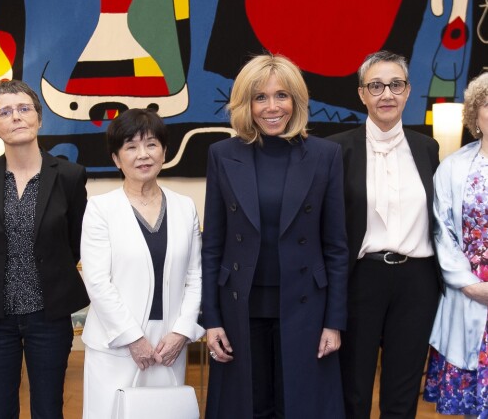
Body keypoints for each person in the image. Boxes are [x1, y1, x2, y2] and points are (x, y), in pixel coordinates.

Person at [202, 53, 348, 418]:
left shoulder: (326, 155)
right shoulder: (222, 154)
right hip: (240, 306)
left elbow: (336, 248)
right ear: (245, 104)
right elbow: (213, 245)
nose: (272, 107)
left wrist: (334, 321)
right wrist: (212, 318)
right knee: (247, 406)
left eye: (282, 95)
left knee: (298, 405)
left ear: (296, 101)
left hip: (305, 306)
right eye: (260, 97)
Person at [328, 50, 440, 419]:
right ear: (362, 94)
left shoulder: (427, 148)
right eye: (376, 86)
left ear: (408, 91)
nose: (386, 94)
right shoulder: (336, 150)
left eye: (396, 85)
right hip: (362, 278)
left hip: (418, 281)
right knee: (353, 389)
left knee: (403, 389)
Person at [0, 79, 89, 419]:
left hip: (48, 316)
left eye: (24, 109)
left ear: (38, 117)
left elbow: (74, 243)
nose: (16, 117)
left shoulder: (69, 175)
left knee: (48, 408)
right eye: (4, 112)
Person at [80, 108, 203, 418]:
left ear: (164, 151)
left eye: (151, 144)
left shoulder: (184, 207)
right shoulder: (100, 209)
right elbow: (97, 281)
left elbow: (195, 276)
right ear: (116, 158)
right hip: (116, 344)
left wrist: (182, 332)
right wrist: (133, 338)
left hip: (169, 344)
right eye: (130, 146)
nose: (143, 154)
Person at [424, 72, 488, 418]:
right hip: (468, 292)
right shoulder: (452, 167)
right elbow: (440, 230)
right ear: (474, 115)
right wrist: (469, 284)